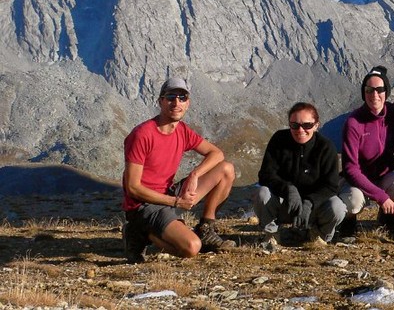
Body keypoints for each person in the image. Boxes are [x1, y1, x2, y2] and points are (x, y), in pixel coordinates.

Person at [122, 78, 236, 263]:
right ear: (160, 101)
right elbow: (133, 188)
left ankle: (206, 229)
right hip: (143, 205)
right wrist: (176, 202)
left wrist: (195, 174)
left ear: (187, 103)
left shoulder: (182, 130)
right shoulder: (142, 134)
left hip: (169, 195)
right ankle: (139, 232)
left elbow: (217, 154)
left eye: (182, 98)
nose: (176, 103)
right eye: (170, 97)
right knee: (192, 248)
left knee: (226, 170)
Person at [253, 102, 347, 243]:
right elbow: (266, 175)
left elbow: (331, 185)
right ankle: (271, 235)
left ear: (316, 125)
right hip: (286, 204)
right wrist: (288, 190)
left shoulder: (326, 147)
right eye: (295, 125)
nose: (300, 130)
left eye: (307, 125)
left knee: (338, 208)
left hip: (314, 207)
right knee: (262, 194)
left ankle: (318, 236)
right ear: (289, 124)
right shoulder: (279, 139)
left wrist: (309, 202)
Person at [339, 66, 394, 236]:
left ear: (386, 91)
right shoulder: (354, 122)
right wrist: (381, 197)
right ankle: (349, 221)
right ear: (363, 93)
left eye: (380, 90)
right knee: (354, 200)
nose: (374, 95)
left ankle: (387, 219)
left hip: (385, 173)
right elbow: (350, 169)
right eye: (369, 90)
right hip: (358, 178)